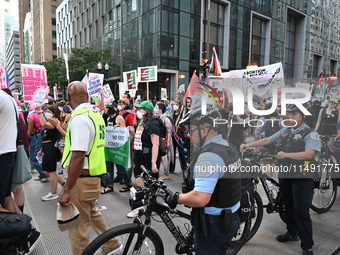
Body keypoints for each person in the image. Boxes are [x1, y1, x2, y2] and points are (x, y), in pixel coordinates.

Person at [240, 104, 321, 255]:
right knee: (288, 207)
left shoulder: (311, 133)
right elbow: (267, 140)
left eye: (294, 114)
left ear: (303, 116)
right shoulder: (286, 131)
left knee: (301, 212)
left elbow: (309, 154)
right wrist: (248, 144)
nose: (290, 117)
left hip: (302, 177)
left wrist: (287, 155)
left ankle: (307, 246)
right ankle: (292, 233)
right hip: (286, 175)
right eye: (289, 115)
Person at [165, 106, 242, 255]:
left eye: (191, 130)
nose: (188, 135)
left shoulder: (208, 157)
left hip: (215, 225)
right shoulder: (226, 146)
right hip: (230, 217)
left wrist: (176, 198)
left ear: (204, 130)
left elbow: (200, 198)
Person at [58, 81, 122, 255]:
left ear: (69, 97)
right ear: (86, 96)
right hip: (92, 177)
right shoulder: (94, 115)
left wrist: (67, 189)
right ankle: (112, 243)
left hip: (82, 178)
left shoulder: (79, 119)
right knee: (92, 213)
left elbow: (78, 157)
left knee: (78, 227)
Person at [127, 101, 161, 218]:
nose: (138, 111)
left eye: (140, 109)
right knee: (139, 178)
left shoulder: (153, 124)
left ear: (146, 111)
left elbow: (155, 144)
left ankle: (147, 204)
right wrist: (132, 132)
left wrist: (153, 163)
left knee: (151, 182)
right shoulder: (141, 122)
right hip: (139, 156)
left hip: (148, 157)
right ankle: (144, 203)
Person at [35, 105, 66, 201]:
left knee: (51, 171)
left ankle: (54, 192)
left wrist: (39, 112)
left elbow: (44, 124)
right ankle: (63, 184)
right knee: (46, 170)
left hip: (52, 149)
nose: (46, 112)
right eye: (46, 111)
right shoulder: (49, 122)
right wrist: (42, 149)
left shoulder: (55, 122)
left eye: (49, 111)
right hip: (46, 148)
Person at [101, 101, 132, 194]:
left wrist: (118, 127)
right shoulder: (108, 119)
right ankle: (110, 185)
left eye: (112, 108)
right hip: (110, 146)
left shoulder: (119, 118)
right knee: (109, 167)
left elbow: (124, 132)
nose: (110, 109)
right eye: (108, 108)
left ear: (116, 108)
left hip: (118, 147)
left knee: (121, 167)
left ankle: (128, 183)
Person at [0, 89, 19, 212]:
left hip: (2, 152)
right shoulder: (8, 98)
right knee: (6, 197)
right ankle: (24, 228)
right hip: (7, 151)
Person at [27, 106, 49, 182]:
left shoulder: (31, 116)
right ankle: (42, 174)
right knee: (39, 157)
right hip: (41, 135)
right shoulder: (43, 114)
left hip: (35, 137)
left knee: (34, 158)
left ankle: (45, 174)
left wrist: (25, 139)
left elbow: (29, 130)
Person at [156, 103, 174, 180]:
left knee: (164, 157)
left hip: (165, 140)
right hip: (161, 140)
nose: (155, 109)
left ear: (160, 110)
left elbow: (169, 131)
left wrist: (168, 142)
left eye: (156, 108)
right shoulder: (159, 117)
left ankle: (166, 173)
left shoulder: (166, 118)